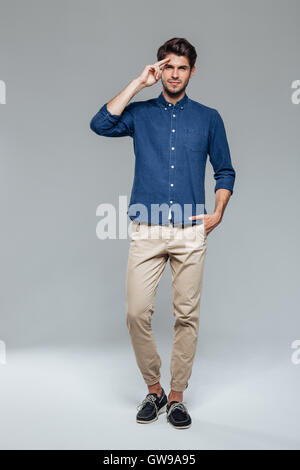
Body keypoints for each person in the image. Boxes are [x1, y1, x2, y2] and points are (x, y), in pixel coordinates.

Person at [90, 37, 236, 429]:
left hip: (190, 231)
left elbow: (225, 170)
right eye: (167, 67)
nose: (174, 74)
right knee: (136, 312)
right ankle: (153, 388)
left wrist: (217, 212)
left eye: (181, 67)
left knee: (186, 315)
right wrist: (139, 82)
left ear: (192, 72)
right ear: (159, 69)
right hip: (147, 229)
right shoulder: (140, 114)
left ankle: (176, 397)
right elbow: (100, 123)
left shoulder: (209, 118)